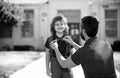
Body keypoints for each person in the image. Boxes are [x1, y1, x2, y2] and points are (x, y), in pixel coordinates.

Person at [50, 16, 117, 78]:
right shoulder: (106, 44)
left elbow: (64, 64)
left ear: (84, 31)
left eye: (80, 28)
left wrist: (56, 48)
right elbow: (88, 53)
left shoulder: (83, 52)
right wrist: (73, 43)